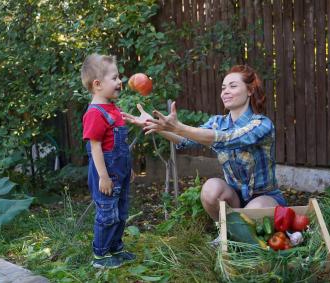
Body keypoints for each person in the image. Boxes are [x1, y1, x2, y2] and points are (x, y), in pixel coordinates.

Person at [123, 65, 286, 223]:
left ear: (250, 91)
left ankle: (237, 236)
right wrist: (155, 125)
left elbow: (229, 138)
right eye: (223, 88)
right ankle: (225, 233)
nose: (225, 92)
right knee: (210, 188)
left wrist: (180, 127)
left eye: (232, 86)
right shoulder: (217, 122)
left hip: (265, 198)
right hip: (234, 197)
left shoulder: (262, 124)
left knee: (251, 214)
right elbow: (186, 140)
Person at [81, 53, 135, 269]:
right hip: (106, 176)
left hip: (119, 174)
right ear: (97, 84)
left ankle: (115, 248)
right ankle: (100, 255)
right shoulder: (95, 113)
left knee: (121, 213)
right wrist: (103, 176)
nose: (119, 82)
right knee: (107, 214)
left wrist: (128, 169)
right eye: (114, 78)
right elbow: (95, 148)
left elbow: (120, 147)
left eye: (118, 77)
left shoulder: (113, 109)